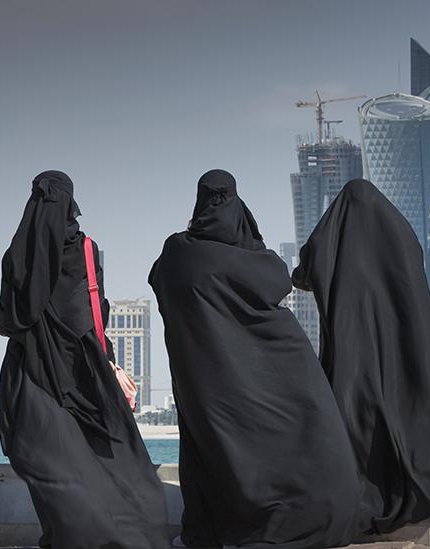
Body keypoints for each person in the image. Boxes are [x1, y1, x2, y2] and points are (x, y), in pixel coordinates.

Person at [148, 170, 360, 548]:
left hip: (203, 379)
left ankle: (215, 526)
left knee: (211, 450)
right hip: (267, 365)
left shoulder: (177, 252)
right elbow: (277, 280)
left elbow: (159, 281)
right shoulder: (249, 256)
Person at [0, 170, 169, 549]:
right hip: (81, 371)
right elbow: (92, 313)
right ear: (72, 203)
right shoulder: (85, 249)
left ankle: (63, 535)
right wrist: (109, 362)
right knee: (97, 458)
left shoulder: (16, 254)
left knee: (47, 459)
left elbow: (8, 321)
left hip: (31, 373)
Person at [292, 179, 430, 534]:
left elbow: (304, 273)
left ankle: (354, 496)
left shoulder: (330, 241)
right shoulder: (401, 234)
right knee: (399, 410)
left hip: (350, 355)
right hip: (401, 352)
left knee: (352, 418)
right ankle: (404, 487)